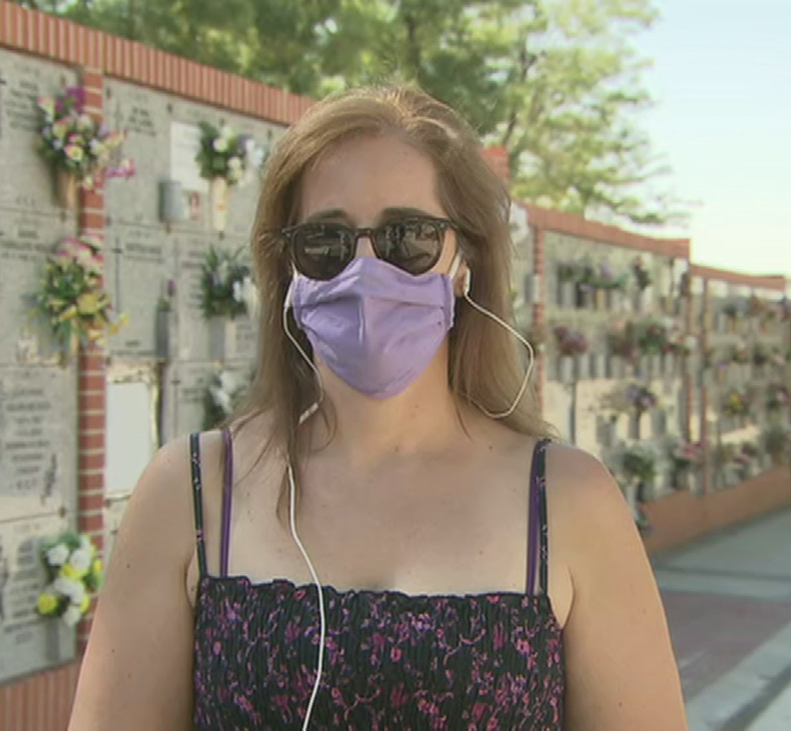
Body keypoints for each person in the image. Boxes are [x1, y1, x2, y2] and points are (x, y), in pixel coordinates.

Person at [69, 85, 686, 729]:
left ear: (464, 260)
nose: (365, 270)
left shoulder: (569, 501)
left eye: (408, 237)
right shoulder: (193, 494)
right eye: (325, 241)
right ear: (289, 270)